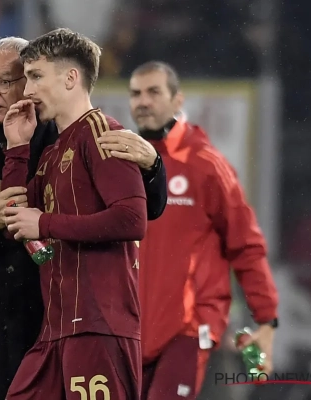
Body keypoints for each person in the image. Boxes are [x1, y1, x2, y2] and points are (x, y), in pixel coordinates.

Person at [0, 37, 166, 400]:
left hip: (49, 319)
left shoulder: (70, 136)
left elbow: (139, 213)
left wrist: (154, 167)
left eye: (7, 81)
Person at [97, 61, 279, 400]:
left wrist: (266, 320)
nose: (143, 101)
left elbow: (246, 245)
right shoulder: (119, 164)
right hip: (130, 327)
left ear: (177, 100)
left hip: (190, 328)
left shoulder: (206, 164)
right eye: (136, 93)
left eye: (154, 92)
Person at [0, 28, 145, 400]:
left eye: (36, 76)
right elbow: (13, 221)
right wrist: (17, 148)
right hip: (55, 330)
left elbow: (132, 219)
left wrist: (44, 223)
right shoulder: (52, 153)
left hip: (98, 326)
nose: (27, 90)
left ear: (70, 78)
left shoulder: (103, 133)